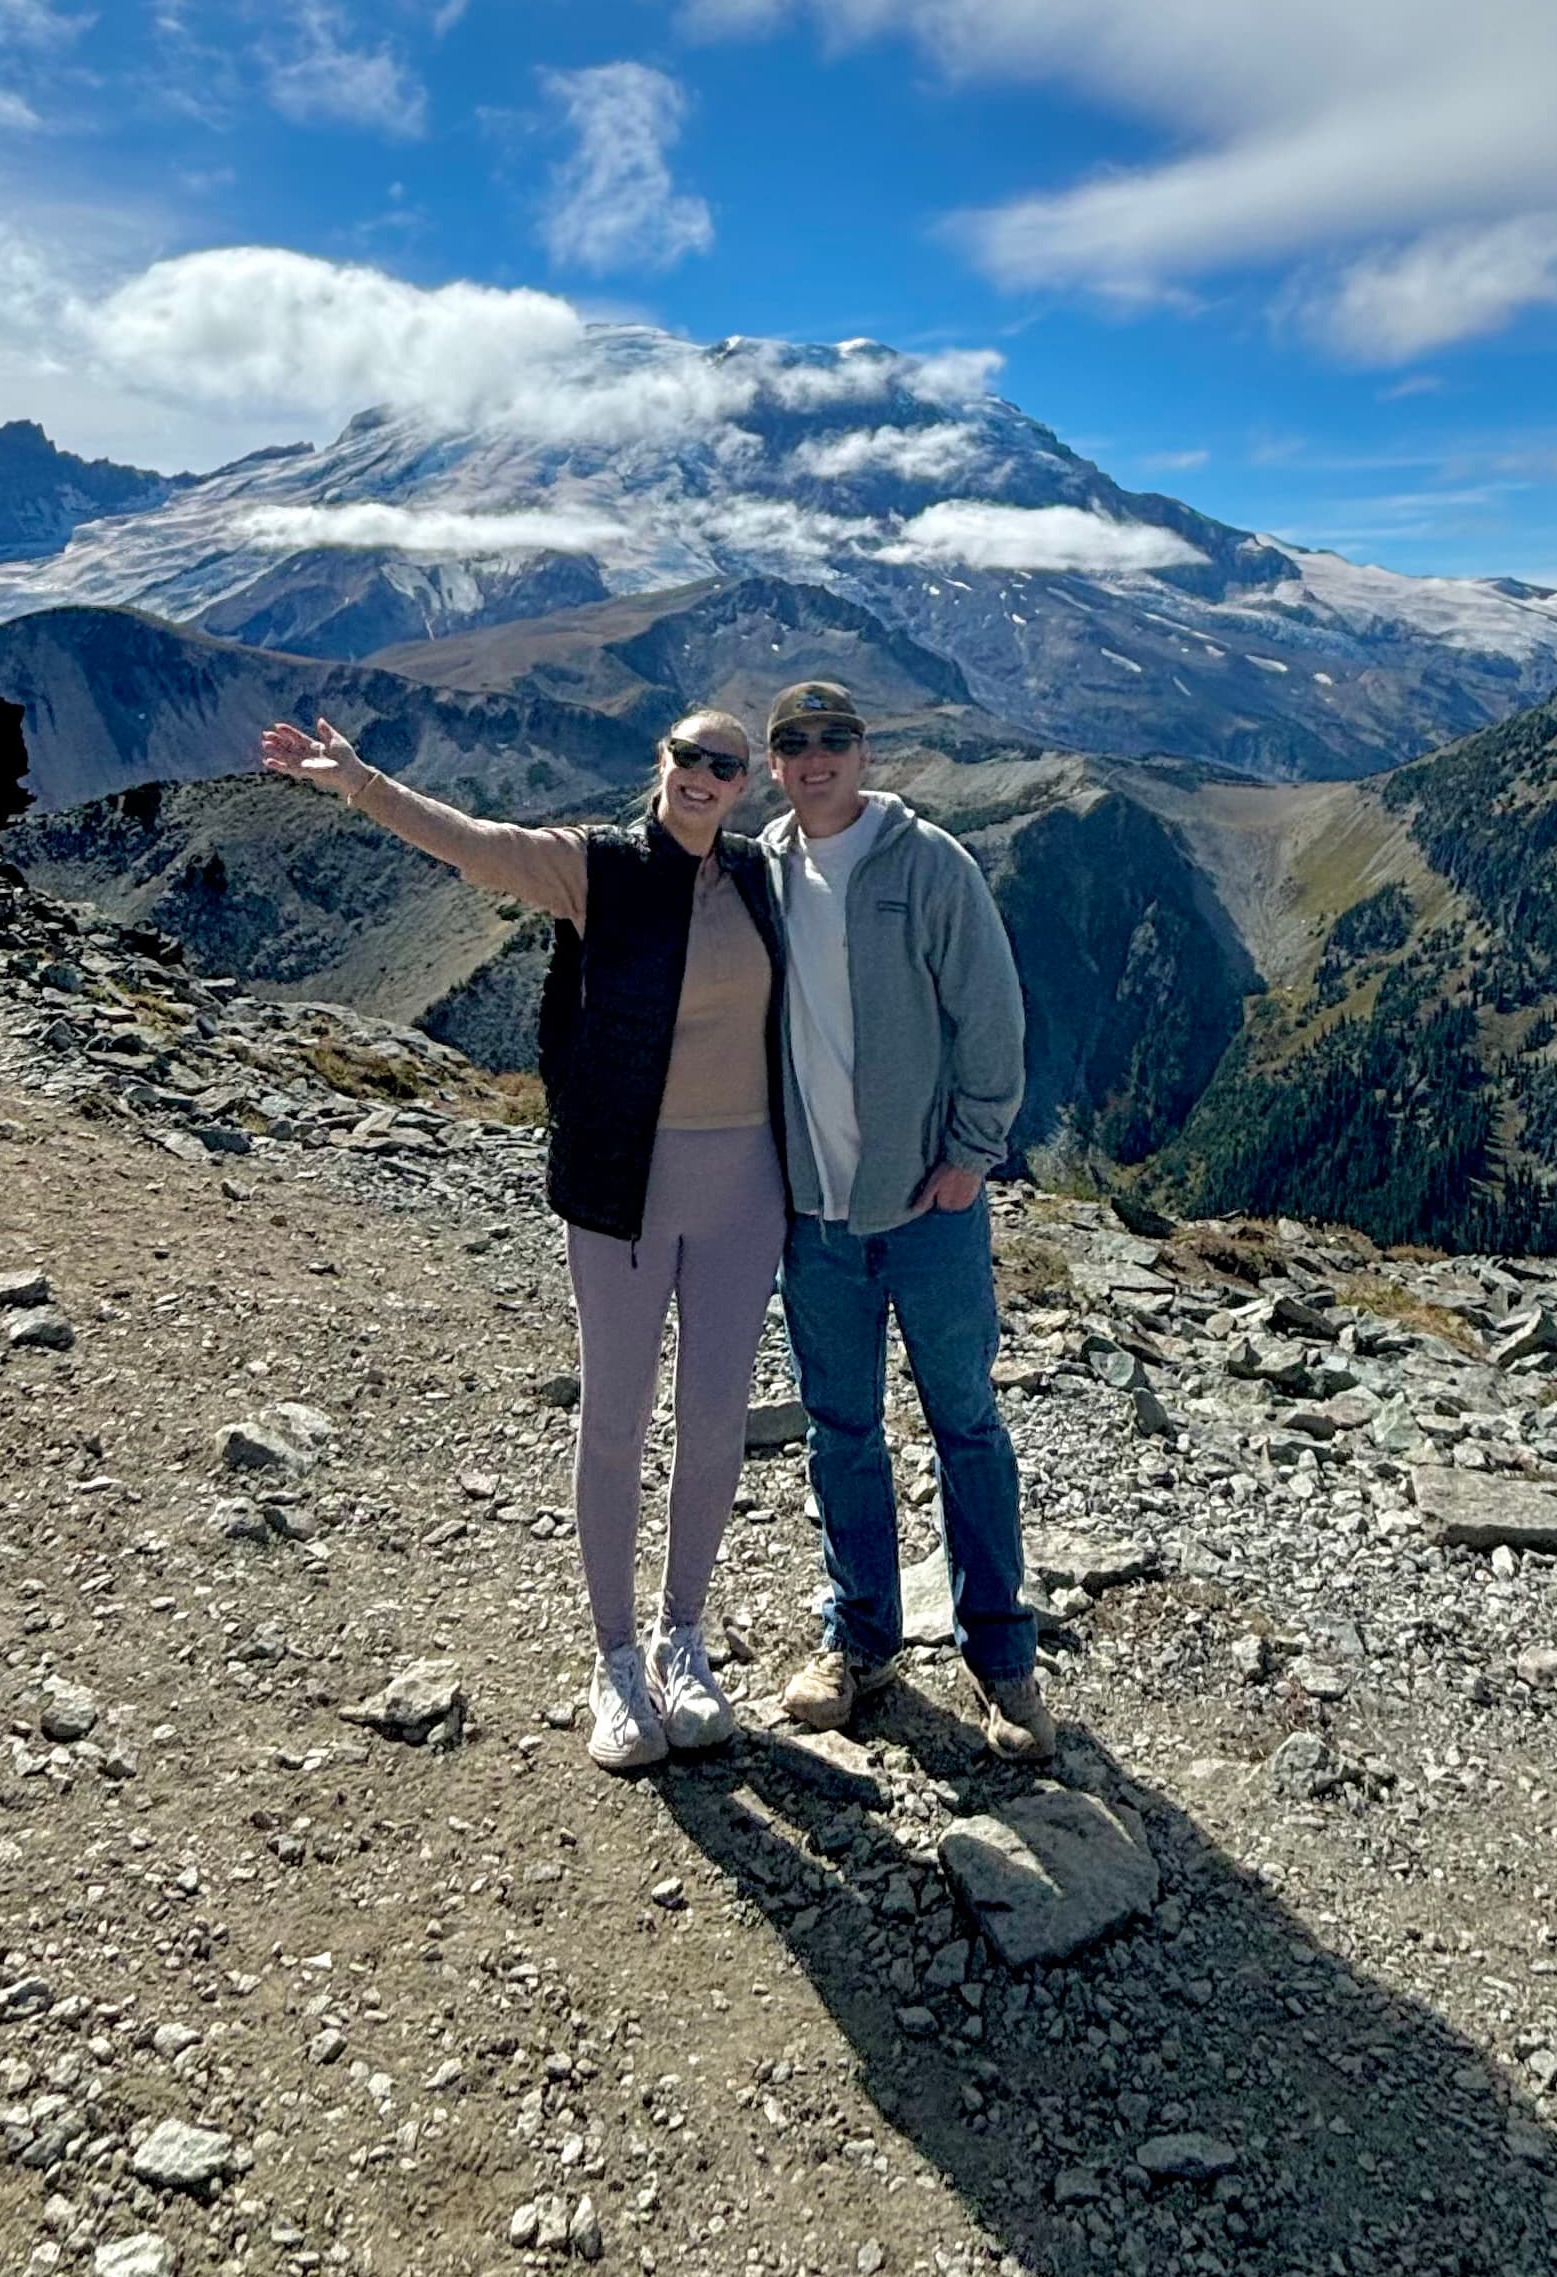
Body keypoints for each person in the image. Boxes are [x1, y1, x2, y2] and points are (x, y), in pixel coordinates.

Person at [257, 702, 786, 1777]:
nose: (702, 776)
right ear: (664, 761)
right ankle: (617, 1659)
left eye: (724, 766)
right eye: (688, 756)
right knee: (617, 1416)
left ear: (745, 786)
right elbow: (473, 846)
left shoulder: (759, 881)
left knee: (716, 1417)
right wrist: (360, 782)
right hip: (619, 1183)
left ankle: (687, 1638)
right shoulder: (592, 866)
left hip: (749, 1190)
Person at [757, 679, 1056, 1764]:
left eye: (836, 738)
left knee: (966, 1424)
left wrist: (971, 1158)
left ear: (865, 750)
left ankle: (1001, 1659)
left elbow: (992, 1015)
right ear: (776, 761)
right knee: (842, 1433)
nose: (817, 757)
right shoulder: (763, 872)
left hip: (930, 1209)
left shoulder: (930, 865)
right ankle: (862, 1643)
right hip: (817, 1217)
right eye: (796, 742)